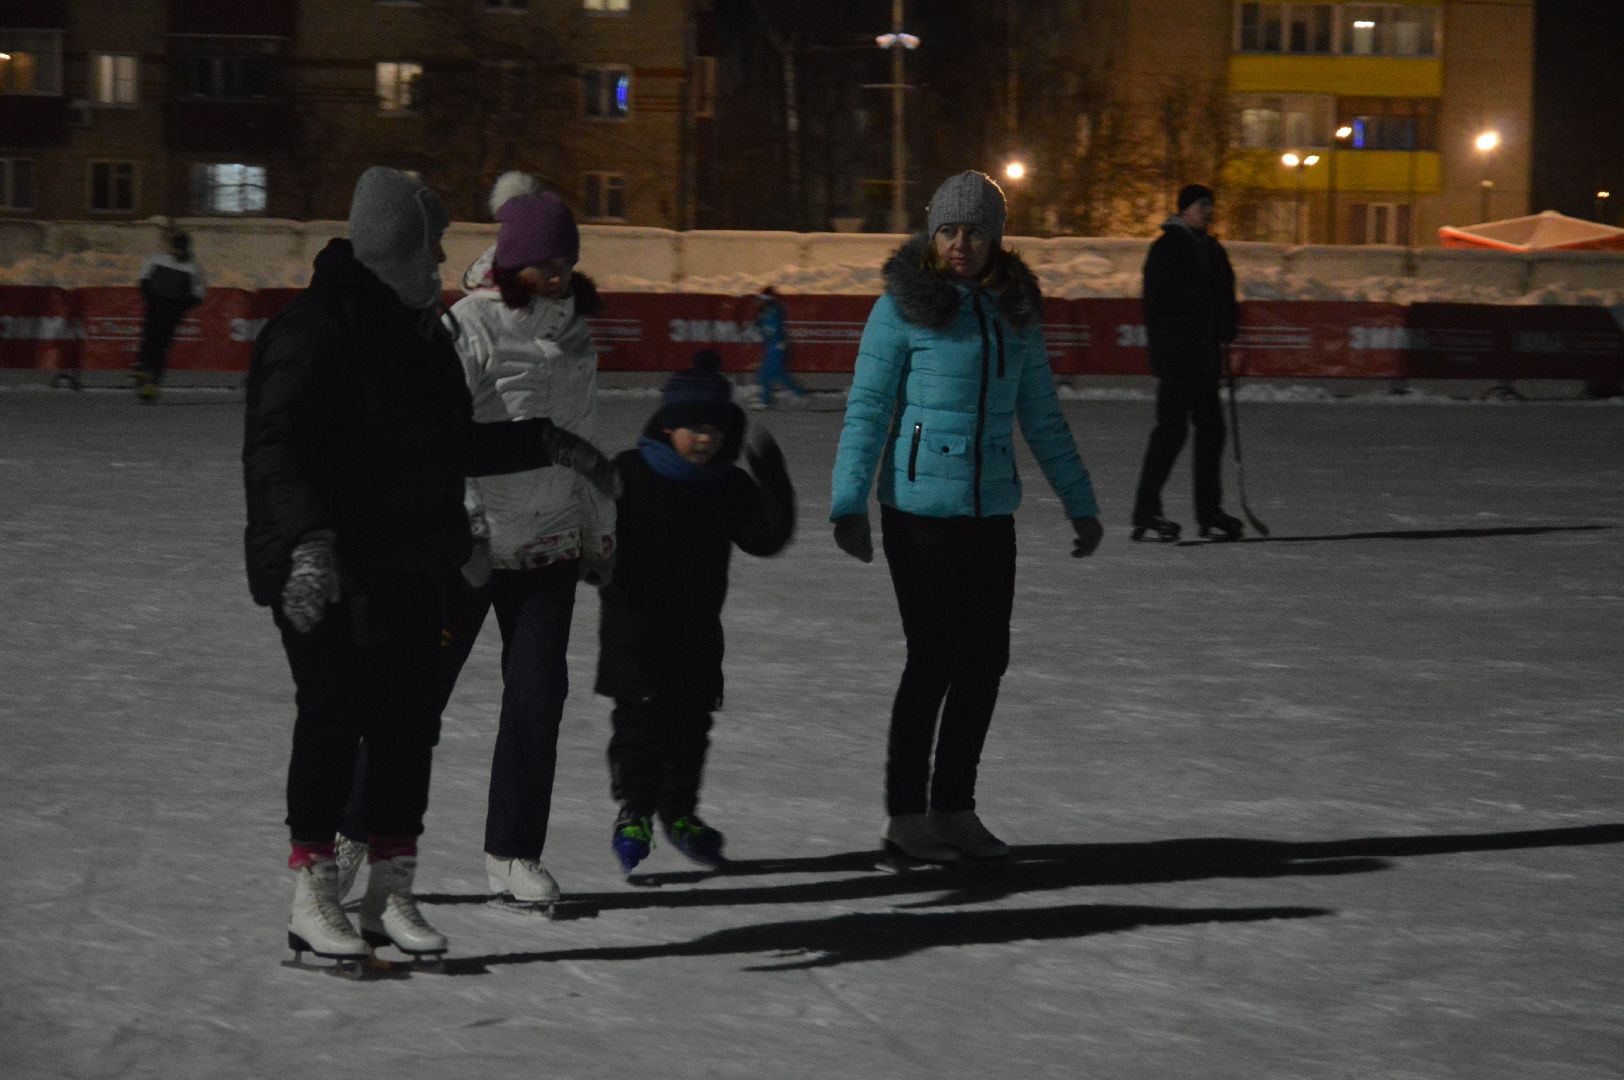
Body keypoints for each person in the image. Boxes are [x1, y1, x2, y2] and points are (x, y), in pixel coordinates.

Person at [243, 167, 615, 969]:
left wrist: (544, 442)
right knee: (336, 716)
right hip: (333, 561)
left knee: (408, 721)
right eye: (435, 246)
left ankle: (388, 890)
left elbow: (447, 443)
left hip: (412, 555)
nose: (447, 261)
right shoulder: (315, 330)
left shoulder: (414, 336)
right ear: (397, 248)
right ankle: (313, 889)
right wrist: (307, 540)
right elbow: (279, 449)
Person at [829, 170, 1104, 865]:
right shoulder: (902, 307)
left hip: (989, 510)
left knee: (984, 661)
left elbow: (1041, 415)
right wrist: (847, 502)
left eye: (975, 231)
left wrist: (1080, 501)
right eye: (949, 229)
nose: (961, 243)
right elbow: (867, 407)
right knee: (934, 659)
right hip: (918, 510)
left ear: (995, 238)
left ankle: (954, 808)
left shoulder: (1015, 310)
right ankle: (905, 817)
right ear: (932, 232)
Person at [433, 181, 617, 908]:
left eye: (567, 261)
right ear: (515, 261)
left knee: (537, 699)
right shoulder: (470, 327)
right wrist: (467, 526)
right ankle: (355, 837)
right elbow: (440, 444)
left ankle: (512, 852)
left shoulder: (574, 337)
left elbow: (587, 441)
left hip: (547, 546)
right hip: (470, 549)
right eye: (547, 261)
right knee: (415, 699)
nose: (560, 273)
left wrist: (598, 530)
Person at [595, 349, 795, 873]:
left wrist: (772, 477)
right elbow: (594, 535)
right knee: (638, 723)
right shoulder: (630, 472)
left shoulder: (728, 485)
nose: (704, 439)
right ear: (667, 427)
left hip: (697, 630)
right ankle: (634, 812)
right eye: (692, 428)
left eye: (714, 430)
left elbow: (766, 538)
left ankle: (680, 813)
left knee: (690, 727)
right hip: (634, 627)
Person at [1130, 183, 1243, 542]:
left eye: (1210, 205)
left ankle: (1208, 511)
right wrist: (1204, 299)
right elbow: (1162, 301)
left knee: (1212, 432)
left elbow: (1225, 293)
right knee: (1170, 433)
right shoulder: (1167, 248)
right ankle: (1147, 511)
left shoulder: (1211, 249)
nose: (1207, 212)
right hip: (1178, 358)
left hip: (1204, 358)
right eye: (1200, 206)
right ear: (1184, 211)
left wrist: (1227, 322)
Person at [134, 230, 205, 401]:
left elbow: (199, 294)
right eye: (175, 248)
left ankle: (152, 384)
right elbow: (143, 280)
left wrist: (180, 306)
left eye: (180, 249)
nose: (177, 252)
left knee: (161, 347)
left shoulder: (193, 268)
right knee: (148, 338)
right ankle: (143, 369)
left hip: (172, 314)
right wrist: (151, 298)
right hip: (155, 306)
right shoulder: (158, 259)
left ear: (186, 249)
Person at [752, 285, 808, 409]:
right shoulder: (764, 311)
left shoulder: (775, 309)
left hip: (778, 346)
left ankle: (800, 394)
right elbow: (761, 327)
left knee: (773, 373)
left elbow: (775, 326)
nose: (760, 300)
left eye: (763, 297)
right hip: (771, 346)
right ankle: (767, 400)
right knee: (767, 374)